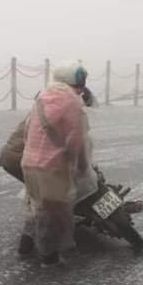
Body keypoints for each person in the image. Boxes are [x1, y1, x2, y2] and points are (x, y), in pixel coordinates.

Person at [20, 62, 91, 267]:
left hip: (29, 163)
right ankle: (48, 258)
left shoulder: (42, 97)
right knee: (54, 215)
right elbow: (75, 140)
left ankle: (25, 246)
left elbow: (26, 130)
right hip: (53, 167)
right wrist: (82, 166)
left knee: (38, 207)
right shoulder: (72, 102)